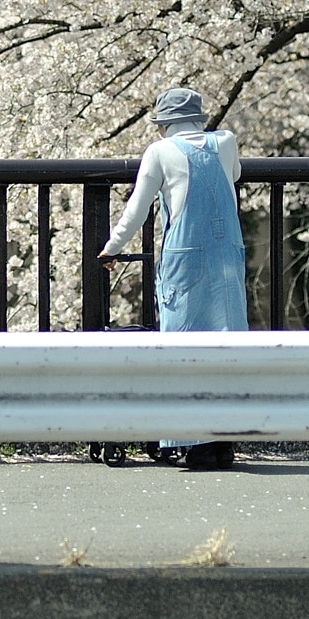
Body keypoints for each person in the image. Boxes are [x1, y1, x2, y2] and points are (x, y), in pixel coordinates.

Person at [97, 87, 246, 471]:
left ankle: (192, 442)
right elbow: (235, 176)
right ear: (199, 117)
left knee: (182, 347)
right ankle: (224, 441)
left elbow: (137, 209)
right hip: (227, 256)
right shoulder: (226, 142)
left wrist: (112, 248)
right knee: (227, 345)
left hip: (185, 259)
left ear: (163, 123)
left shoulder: (159, 152)